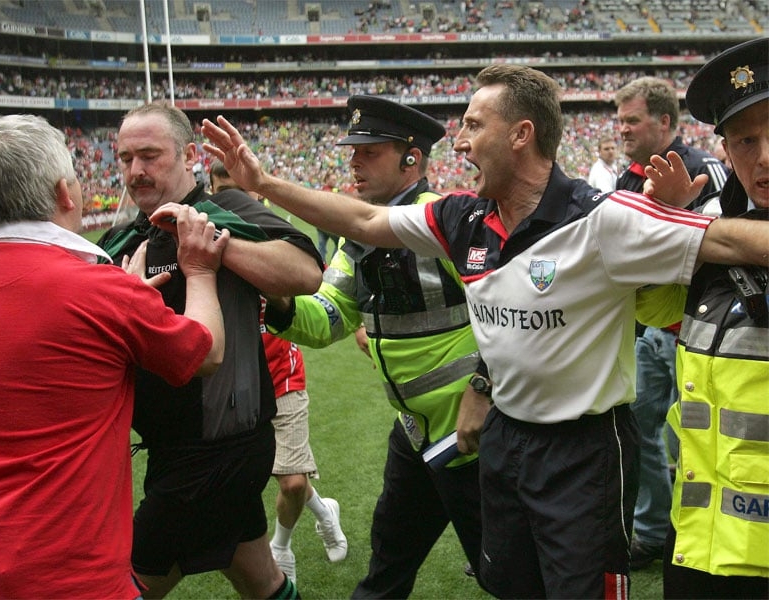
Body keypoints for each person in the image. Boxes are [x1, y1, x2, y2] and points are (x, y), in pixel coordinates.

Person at [201, 64, 769, 599]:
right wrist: (264, 183)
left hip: (584, 450)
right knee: (512, 586)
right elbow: (365, 221)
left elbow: (724, 240)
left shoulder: (604, 218)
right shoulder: (460, 218)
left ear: (521, 134)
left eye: (474, 124)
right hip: (504, 441)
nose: (461, 141)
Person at [0, 113, 227, 599]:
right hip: (72, 577)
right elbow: (206, 351)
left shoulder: (101, 293)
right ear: (66, 194)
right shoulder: (97, 290)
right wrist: (198, 270)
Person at [260, 95, 488, 598]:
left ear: (412, 157)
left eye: (370, 151)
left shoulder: (446, 219)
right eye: (352, 151)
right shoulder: (356, 236)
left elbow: (506, 314)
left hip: (473, 439)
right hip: (413, 433)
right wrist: (276, 303)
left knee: (507, 573)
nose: (353, 162)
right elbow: (328, 319)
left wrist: (483, 386)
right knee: (386, 565)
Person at [97, 102, 323, 600]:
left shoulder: (228, 212)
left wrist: (214, 246)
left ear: (190, 155)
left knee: (120, 585)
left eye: (151, 155)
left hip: (217, 449)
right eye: (125, 158)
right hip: (173, 448)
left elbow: (305, 273)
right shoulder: (122, 239)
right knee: (259, 577)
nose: (136, 171)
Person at [640, 36, 768, 599]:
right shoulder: (709, 247)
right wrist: (664, 225)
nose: (764, 155)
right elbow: (648, 303)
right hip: (699, 541)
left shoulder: (707, 235)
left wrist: (686, 229)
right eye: (746, 140)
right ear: (726, 154)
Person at [210, 160, 348, 583]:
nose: (232, 198)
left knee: (289, 481)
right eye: (222, 190)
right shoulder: (201, 240)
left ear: (256, 191)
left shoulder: (274, 235)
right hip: (232, 381)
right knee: (255, 479)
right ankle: (325, 510)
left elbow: (311, 282)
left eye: (239, 188)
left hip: (279, 373)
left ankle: (280, 547)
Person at [614, 75, 730, 570]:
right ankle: (653, 531)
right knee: (641, 431)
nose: (622, 129)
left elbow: (726, 246)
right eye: (619, 121)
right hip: (651, 334)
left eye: (632, 120)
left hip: (703, 339)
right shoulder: (626, 180)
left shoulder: (705, 170)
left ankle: (703, 535)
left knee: (698, 440)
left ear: (664, 121)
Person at [316, 170, 341, 263]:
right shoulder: (328, 192)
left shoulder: (323, 190)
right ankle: (333, 263)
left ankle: (321, 264)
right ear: (327, 180)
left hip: (319, 223)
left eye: (335, 179)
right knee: (339, 243)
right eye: (333, 180)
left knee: (322, 245)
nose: (335, 181)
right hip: (328, 224)